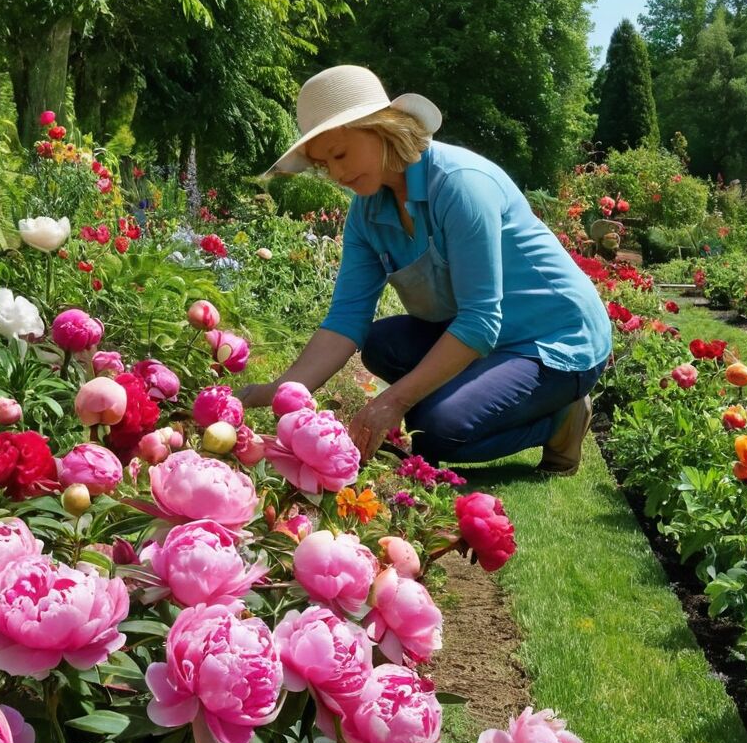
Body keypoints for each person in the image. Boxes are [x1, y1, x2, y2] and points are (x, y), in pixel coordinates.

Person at [238, 65, 612, 475]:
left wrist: (392, 401)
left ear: (382, 128)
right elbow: (346, 320)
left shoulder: (459, 184)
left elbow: (480, 321)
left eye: (341, 154)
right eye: (325, 164)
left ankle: (560, 421)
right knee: (381, 343)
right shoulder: (367, 212)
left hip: (553, 341)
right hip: (487, 335)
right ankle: (476, 391)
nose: (339, 174)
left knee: (433, 432)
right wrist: (280, 391)